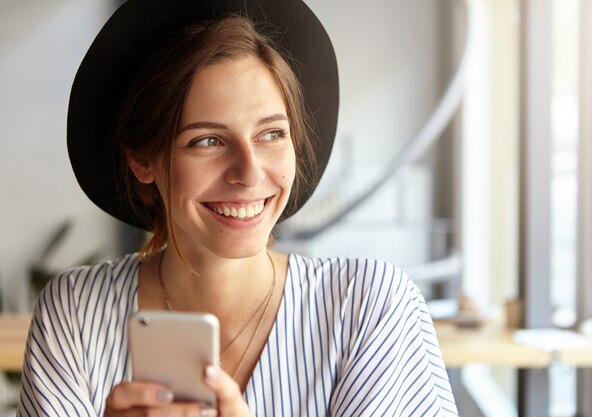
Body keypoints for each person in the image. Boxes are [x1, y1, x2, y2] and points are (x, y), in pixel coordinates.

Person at [18, 0, 458, 416]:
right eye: (207, 141)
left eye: (271, 134)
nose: (248, 173)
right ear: (143, 161)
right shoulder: (74, 313)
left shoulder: (368, 308)